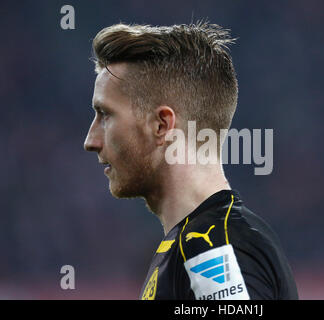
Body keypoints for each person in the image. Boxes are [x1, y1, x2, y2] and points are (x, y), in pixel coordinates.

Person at [83, 21, 298, 300]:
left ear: (161, 125)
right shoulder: (193, 243)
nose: (91, 140)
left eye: (105, 114)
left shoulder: (211, 248)